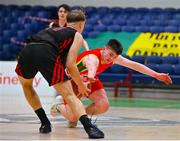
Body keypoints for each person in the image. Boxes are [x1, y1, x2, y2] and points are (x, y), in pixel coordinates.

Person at [15, 10, 104, 139]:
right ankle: (90, 128)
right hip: (46, 51)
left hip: (27, 50)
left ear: (67, 22)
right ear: (81, 24)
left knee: (27, 85)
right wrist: (81, 85)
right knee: (69, 95)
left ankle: (45, 123)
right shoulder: (77, 35)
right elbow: (70, 64)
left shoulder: (52, 30)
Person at [50, 39, 172, 128]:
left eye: (114, 57)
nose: (111, 59)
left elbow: (135, 65)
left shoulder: (114, 58)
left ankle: (79, 115)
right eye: (110, 55)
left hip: (88, 79)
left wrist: (156, 75)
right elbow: (92, 66)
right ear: (104, 48)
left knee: (103, 105)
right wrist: (91, 76)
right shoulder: (93, 57)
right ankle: (59, 106)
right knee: (71, 117)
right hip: (72, 81)